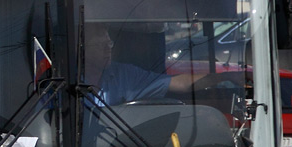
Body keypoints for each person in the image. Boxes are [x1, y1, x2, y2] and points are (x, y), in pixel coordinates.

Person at [84, 23, 213, 105]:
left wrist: (225, 76)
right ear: (83, 49)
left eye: (109, 44)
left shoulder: (125, 75)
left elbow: (178, 83)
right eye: (100, 45)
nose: (108, 49)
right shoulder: (68, 78)